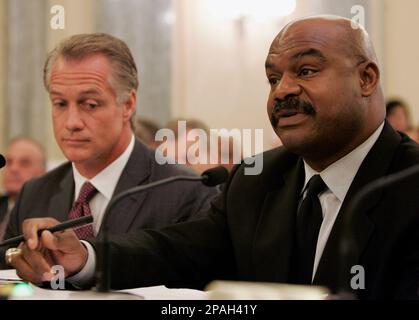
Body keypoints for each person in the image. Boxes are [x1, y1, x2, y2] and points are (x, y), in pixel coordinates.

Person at [8, 16, 419, 299]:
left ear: (366, 78)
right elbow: (177, 251)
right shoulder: (258, 179)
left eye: (306, 71)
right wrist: (84, 258)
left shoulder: (408, 182)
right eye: (273, 78)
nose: (282, 91)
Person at [0, 33, 218, 267]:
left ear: (128, 104)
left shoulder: (186, 192)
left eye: (90, 105)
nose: (72, 122)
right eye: (60, 104)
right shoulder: (34, 194)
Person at [0, 138, 46, 240]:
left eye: (24, 163)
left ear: (43, 172)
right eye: (9, 162)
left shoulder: (52, 212)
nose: (14, 169)